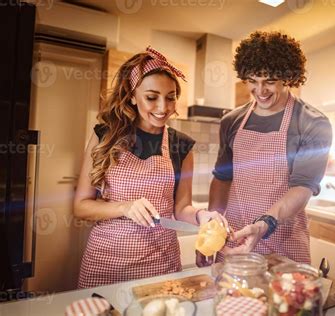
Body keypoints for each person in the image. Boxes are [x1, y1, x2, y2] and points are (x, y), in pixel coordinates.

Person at [74, 46, 227, 288]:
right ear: (133, 96)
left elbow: (181, 208)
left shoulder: (181, 146)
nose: (163, 107)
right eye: (152, 97)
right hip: (105, 264)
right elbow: (81, 206)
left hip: (160, 265)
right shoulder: (105, 136)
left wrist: (201, 215)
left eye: (171, 96)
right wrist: (125, 207)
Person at [197, 31, 332, 266]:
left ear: (287, 76)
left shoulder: (312, 123)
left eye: (269, 80)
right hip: (235, 240)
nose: (260, 90)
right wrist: (210, 232)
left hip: (284, 242)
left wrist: (265, 224)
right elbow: (222, 179)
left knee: (285, 302)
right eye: (252, 80)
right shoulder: (232, 121)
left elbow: (303, 187)